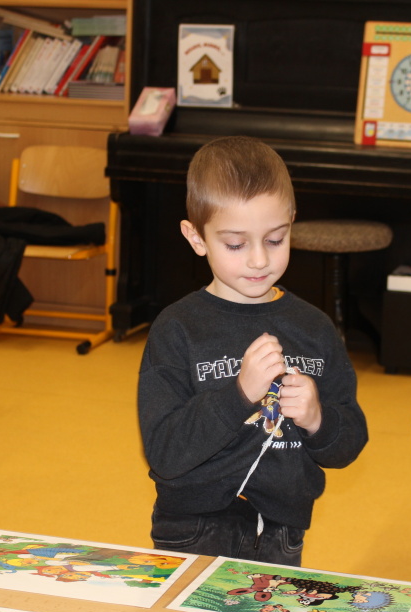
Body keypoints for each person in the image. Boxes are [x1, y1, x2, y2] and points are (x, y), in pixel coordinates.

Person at [137, 136, 368, 566]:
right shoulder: (177, 328)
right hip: (191, 529)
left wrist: (318, 419)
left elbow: (349, 443)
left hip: (280, 534)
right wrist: (238, 394)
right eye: (236, 244)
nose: (259, 260)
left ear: (292, 223)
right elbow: (164, 452)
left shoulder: (314, 329)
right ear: (196, 237)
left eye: (275, 239)